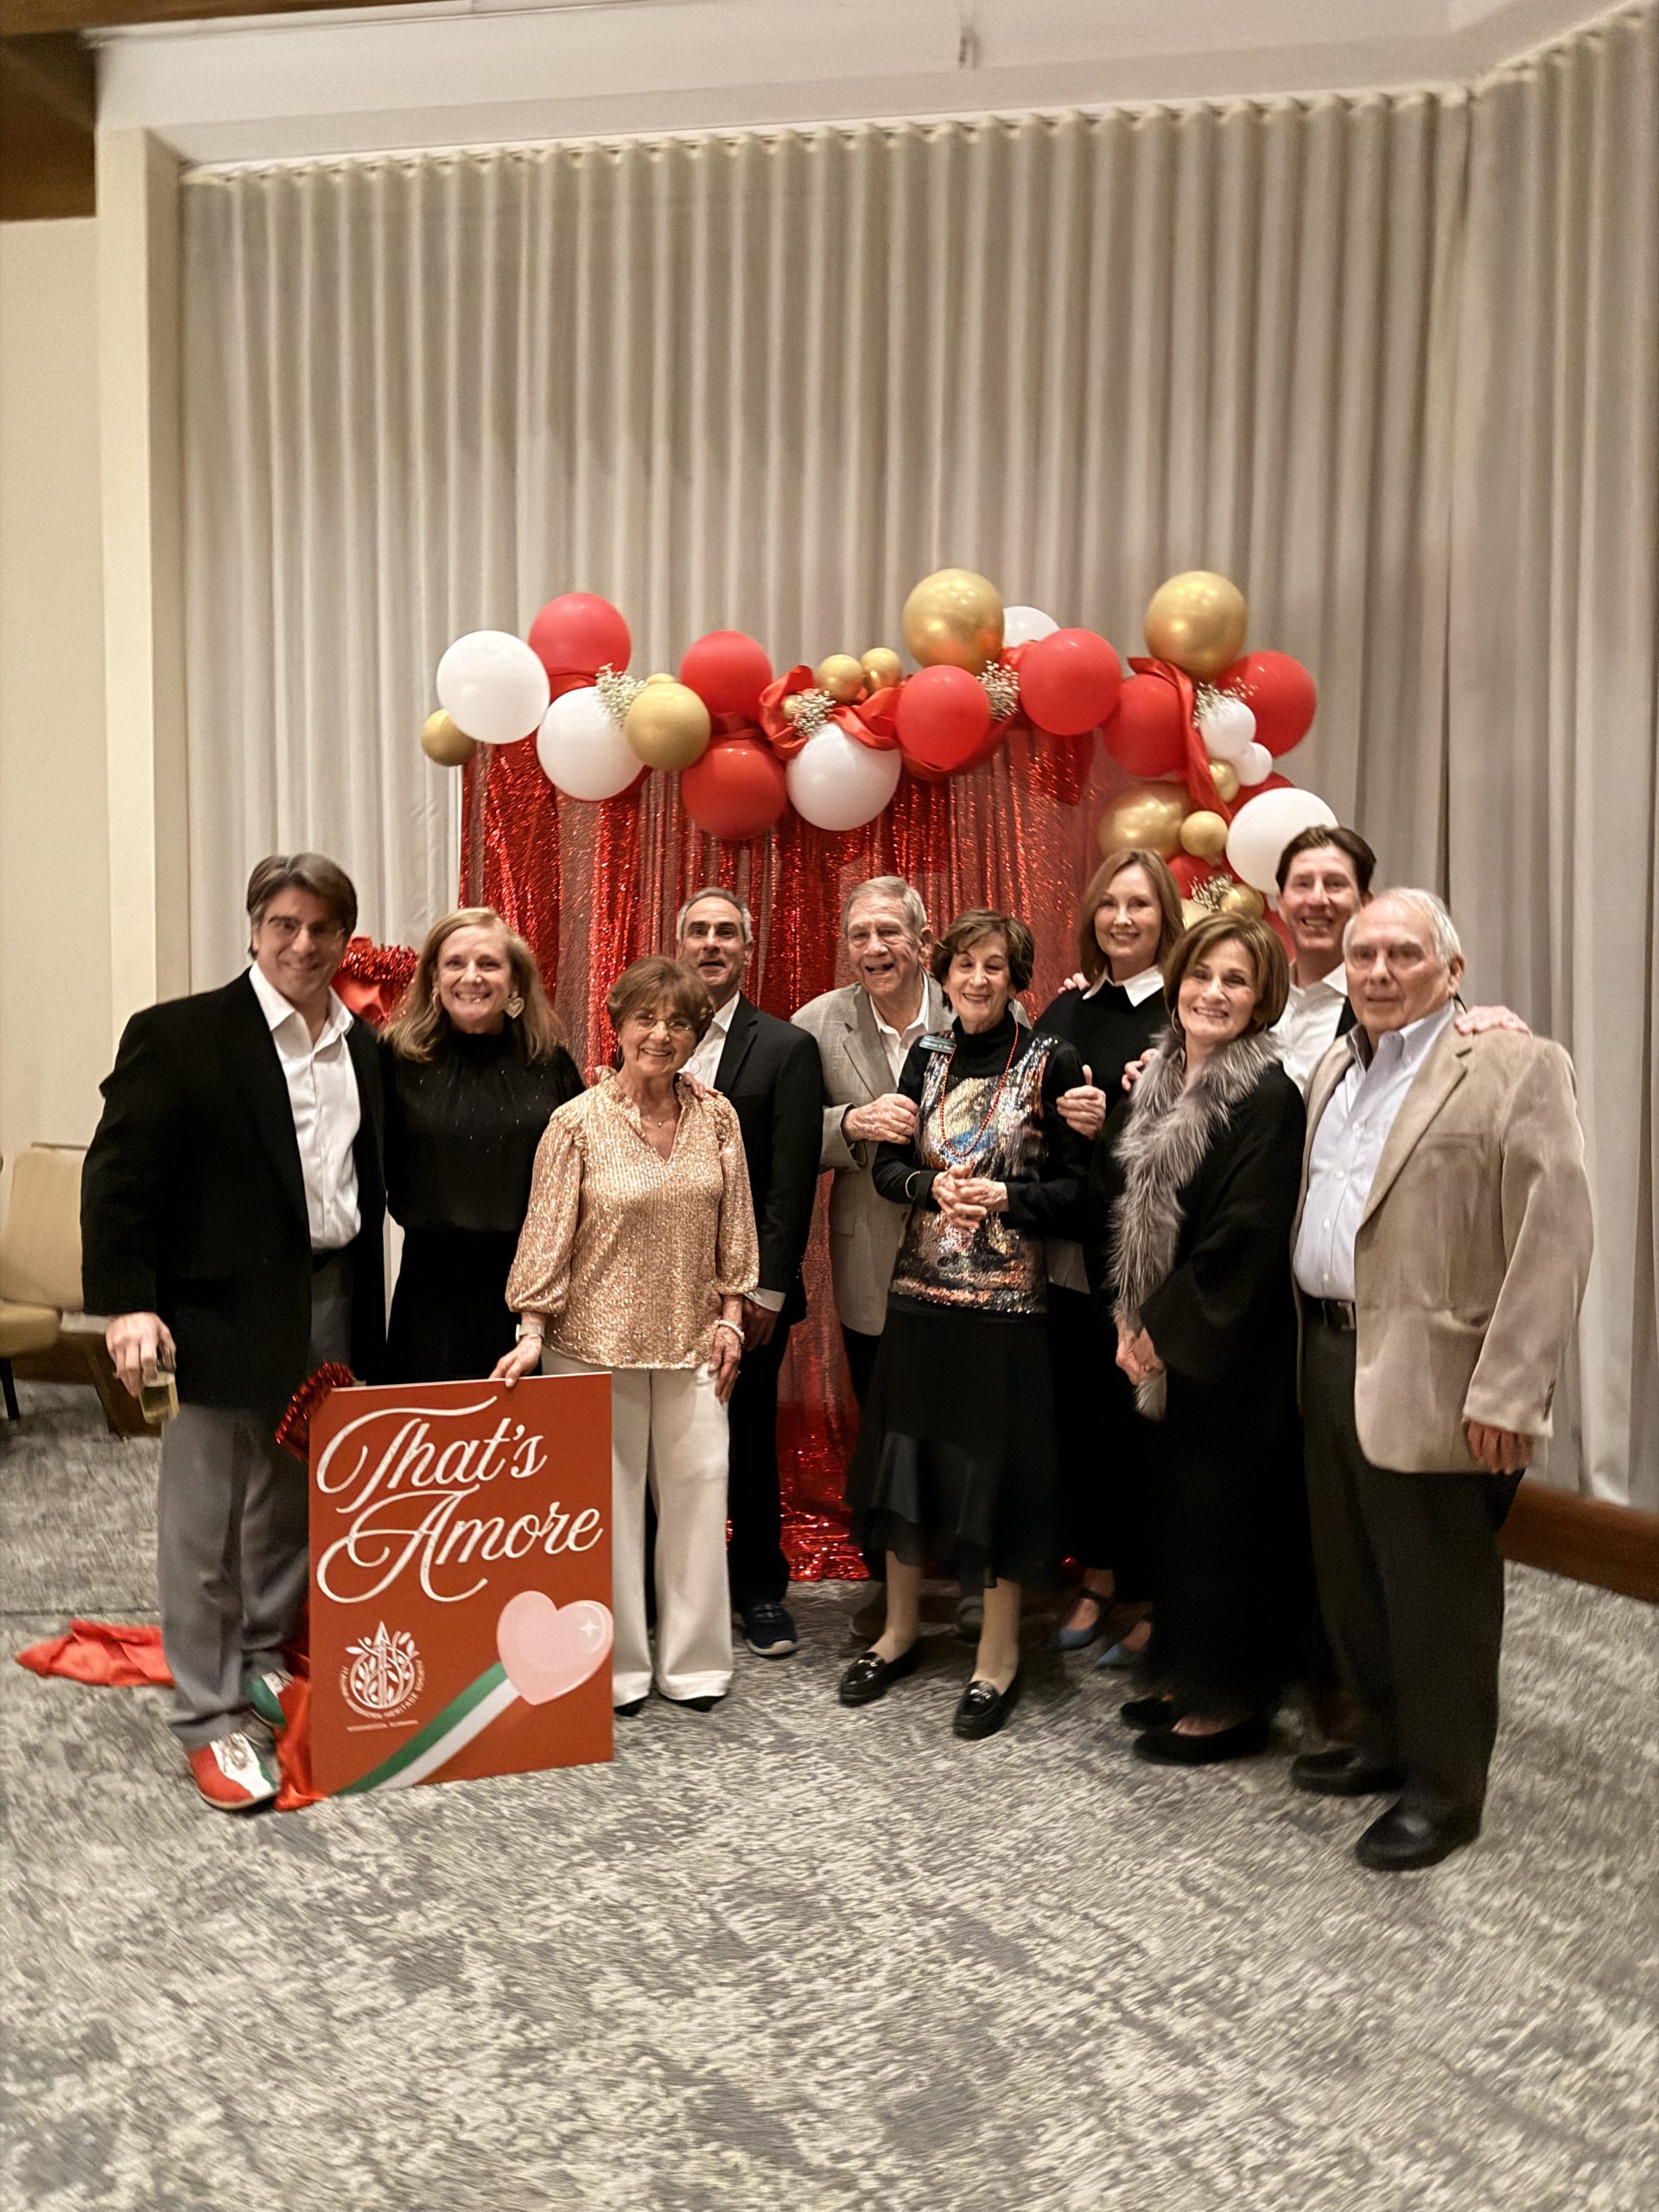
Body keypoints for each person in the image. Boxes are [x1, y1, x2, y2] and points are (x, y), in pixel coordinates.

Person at [1292, 890, 1592, 1871]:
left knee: (1437, 1594)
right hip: (1326, 1351)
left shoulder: (1516, 1065)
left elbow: (1554, 1237)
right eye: (1364, 955)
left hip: (1440, 1375)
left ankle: (1445, 1791)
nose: (1379, 971)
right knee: (1354, 1577)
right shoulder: (1336, 1064)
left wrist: (1510, 1392)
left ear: (1452, 971)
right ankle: (1380, 1739)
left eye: (1404, 954)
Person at [80, 854, 385, 1813]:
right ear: (254, 929)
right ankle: (207, 1714)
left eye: (322, 928)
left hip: (328, 1298)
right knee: (205, 1522)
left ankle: (260, 1655)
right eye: (284, 924)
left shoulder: (361, 1046)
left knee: (292, 1501)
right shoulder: (179, 1035)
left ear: (344, 939)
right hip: (212, 1313)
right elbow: (118, 1180)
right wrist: (128, 1303)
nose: (303, 943)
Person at [837, 910, 1088, 1740]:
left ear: (1017, 980)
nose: (978, 980)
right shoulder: (927, 1057)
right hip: (918, 1296)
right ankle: (900, 1631)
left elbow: (1080, 1191)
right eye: (964, 965)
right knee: (904, 1460)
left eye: (995, 966)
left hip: (1008, 1310)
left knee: (996, 1472)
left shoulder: (1050, 1060)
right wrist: (929, 1189)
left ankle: (998, 1656)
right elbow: (889, 1168)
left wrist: (1008, 1198)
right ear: (942, 976)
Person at [494, 956, 759, 1717]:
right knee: (604, 1517)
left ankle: (696, 1664)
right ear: (618, 1026)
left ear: (696, 1036)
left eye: (678, 1023)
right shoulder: (575, 1123)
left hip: (695, 1345)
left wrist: (732, 1319)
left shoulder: (718, 1118)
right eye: (646, 1018)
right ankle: (611, 1667)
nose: (661, 1035)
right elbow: (546, 1236)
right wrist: (531, 1330)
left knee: (699, 1504)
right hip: (589, 1347)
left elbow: (736, 1232)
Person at [1089, 912, 1309, 1766]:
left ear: (1262, 1001)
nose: (1213, 993)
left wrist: (1159, 1330)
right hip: (1156, 1340)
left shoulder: (1268, 1097)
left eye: (1236, 981)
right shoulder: (1161, 1079)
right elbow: (1123, 1202)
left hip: (1227, 1351)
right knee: (1177, 1523)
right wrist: (1126, 1315)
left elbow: (1245, 1236)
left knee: (1226, 1529)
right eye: (1202, 975)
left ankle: (1230, 1704)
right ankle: (1183, 1674)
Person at [1036, 849, 1182, 1663]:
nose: (1122, 919)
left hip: (1147, 1260)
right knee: (1084, 1424)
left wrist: (1112, 1125)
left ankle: (1155, 1592)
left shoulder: (1185, 1013)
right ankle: (1094, 1576)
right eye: (1110, 904)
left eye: (1140, 905)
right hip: (1066, 1256)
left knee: (1145, 1431)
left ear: (1166, 918)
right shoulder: (1067, 1006)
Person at [674, 887, 823, 1660]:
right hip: (662, 1287)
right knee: (672, 1442)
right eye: (698, 931)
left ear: (747, 949)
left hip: (750, 1293)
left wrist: (765, 1291)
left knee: (748, 1442)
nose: (711, 943)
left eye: (726, 933)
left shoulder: (787, 1048)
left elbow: (789, 1184)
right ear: (680, 946)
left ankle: (760, 1589)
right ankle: (677, 1590)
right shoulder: (652, 1035)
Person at [381, 907, 583, 1382]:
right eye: (455, 963)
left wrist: (678, 1088)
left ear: (514, 981)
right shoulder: (394, 1060)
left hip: (530, 1300)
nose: (471, 977)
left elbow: (594, 1163)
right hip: (429, 1296)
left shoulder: (549, 1063)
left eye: (489, 964)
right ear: (434, 978)